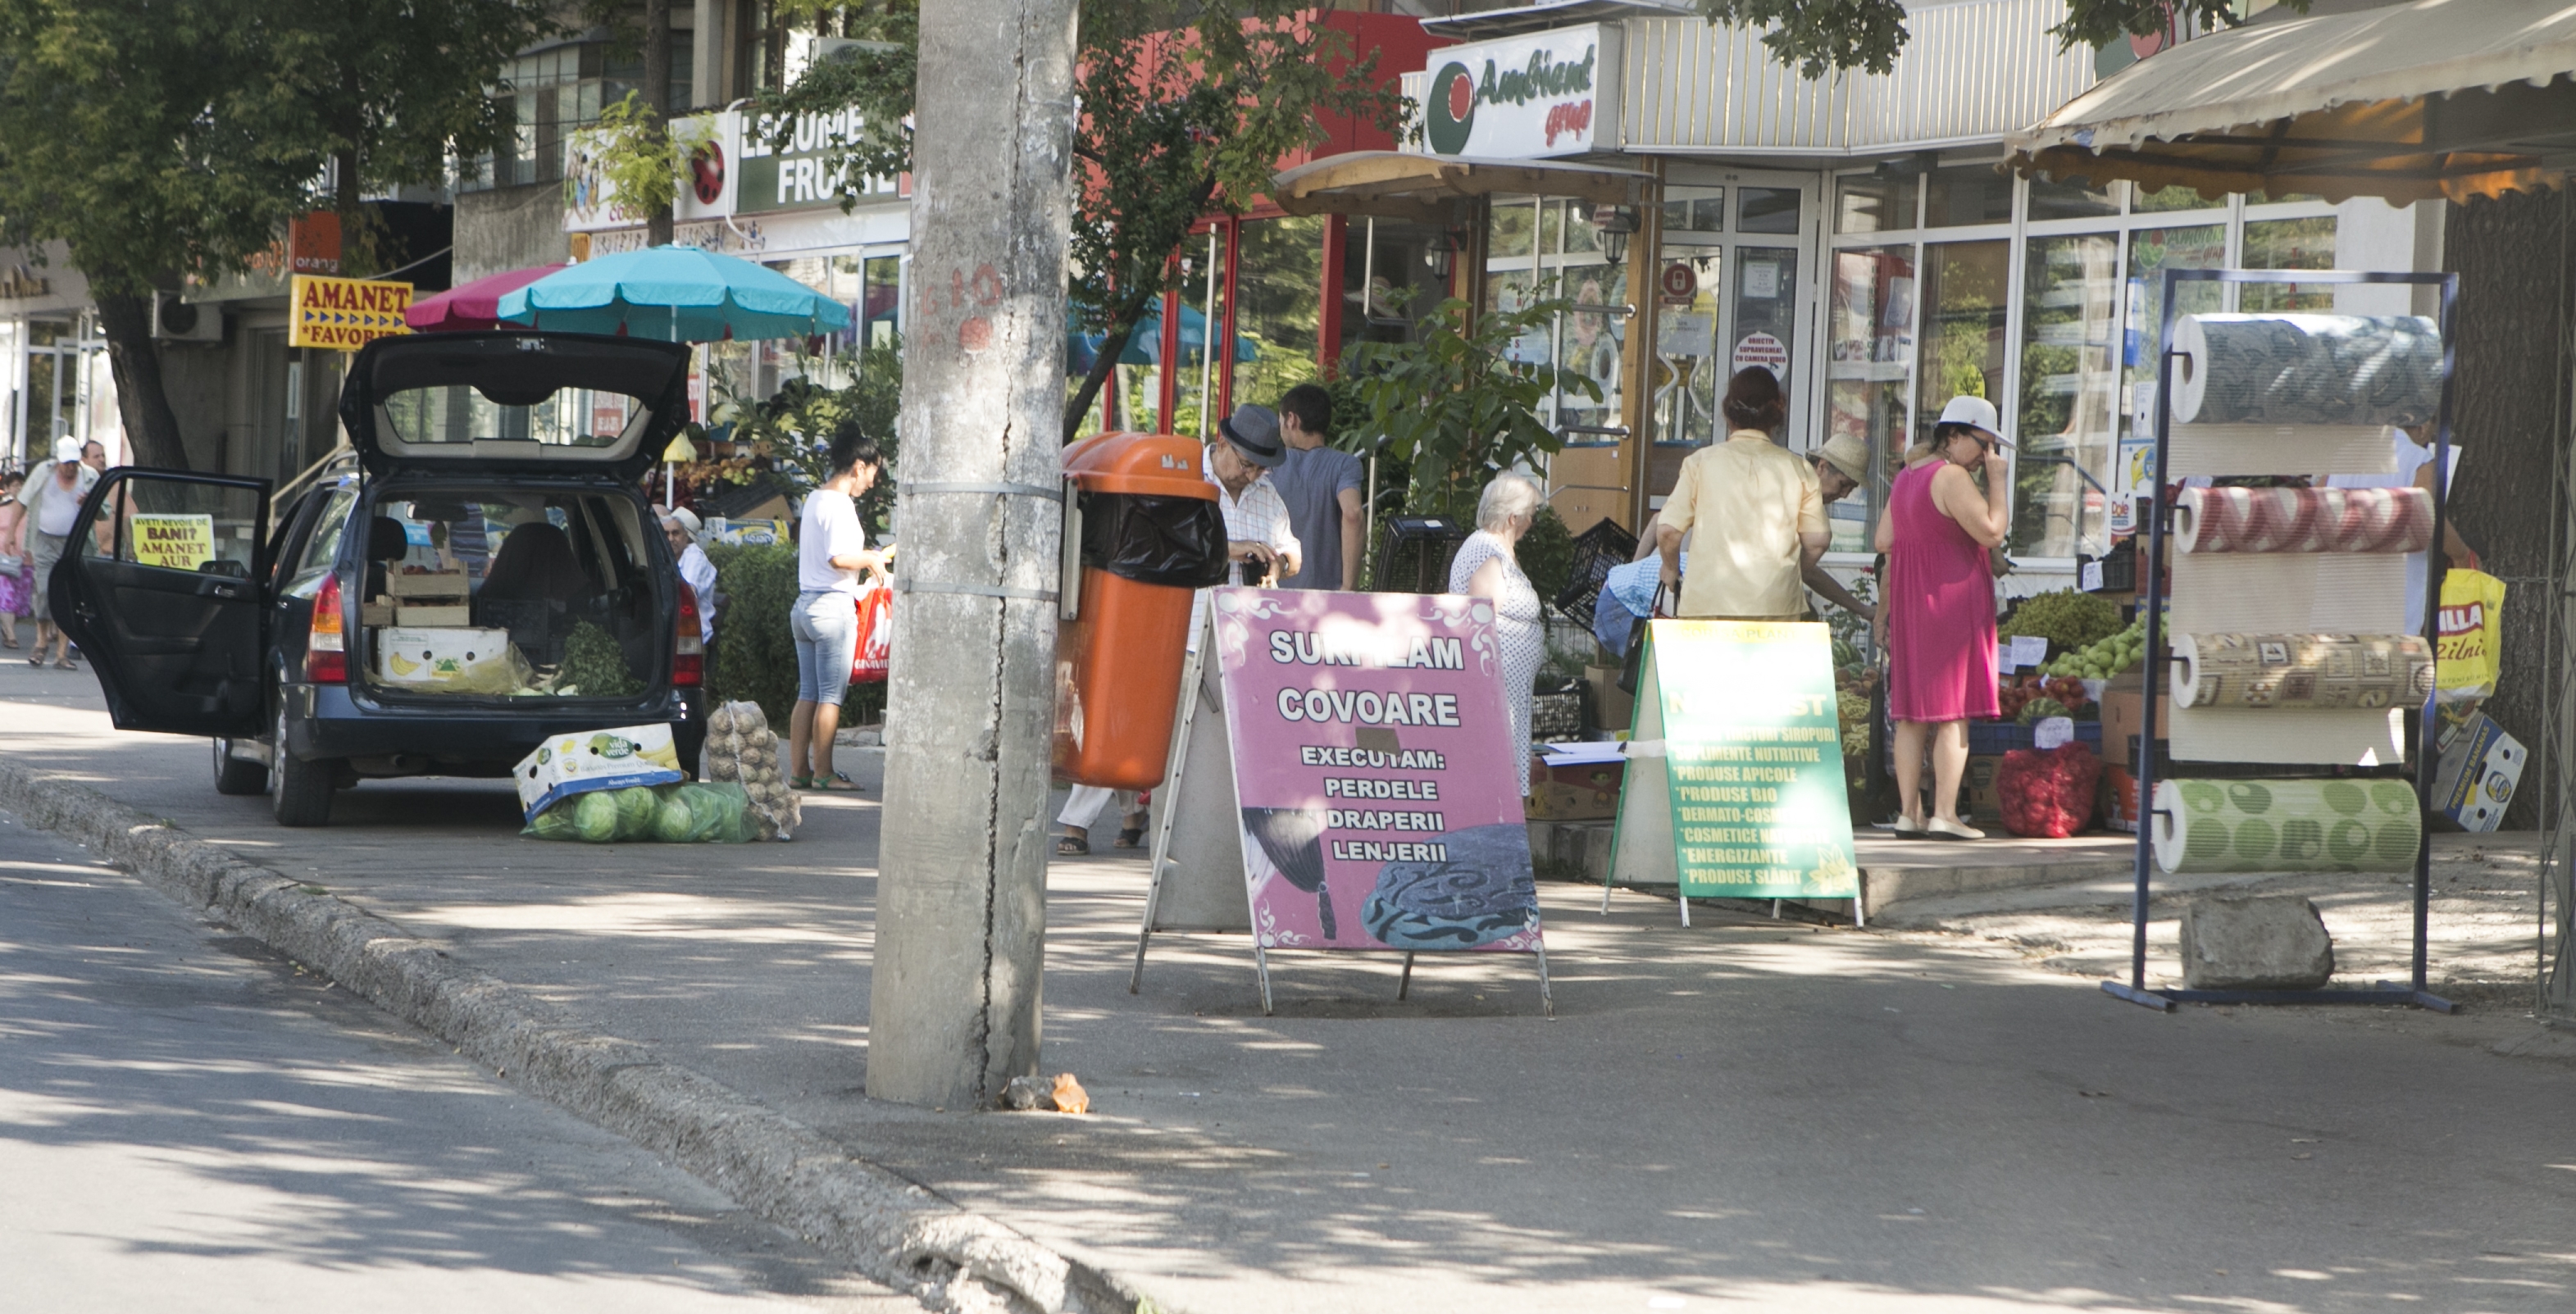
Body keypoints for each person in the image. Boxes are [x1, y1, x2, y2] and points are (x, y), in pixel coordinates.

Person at [1057, 404, 1298, 856]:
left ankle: (1142, 820)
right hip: (1176, 626)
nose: (1251, 476)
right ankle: (1079, 821)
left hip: (1237, 635)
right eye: (1246, 464)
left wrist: (1276, 562)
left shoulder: (1266, 495)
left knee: (1172, 735)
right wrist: (1232, 549)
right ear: (1223, 445)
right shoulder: (1187, 477)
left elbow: (1292, 551)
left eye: (1260, 468)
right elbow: (1167, 542)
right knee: (1137, 719)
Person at [1877, 395, 2013, 841]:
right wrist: (1998, 482)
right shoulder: (1952, 476)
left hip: (1913, 603)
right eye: (1983, 444)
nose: (1987, 456)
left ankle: (1908, 813)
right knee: (1955, 711)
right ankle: (1946, 814)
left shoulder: (1907, 477)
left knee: (1912, 713)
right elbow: (1993, 531)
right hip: (1951, 601)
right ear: (1953, 436)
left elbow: (1884, 540)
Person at [1655, 368, 1827, 621]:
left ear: (1728, 411)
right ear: (1778, 410)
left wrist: (1670, 568)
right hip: (1777, 606)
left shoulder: (1700, 463)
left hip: (1708, 603)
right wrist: (1790, 575)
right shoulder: (1799, 468)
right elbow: (1817, 541)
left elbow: (1668, 531)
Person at [789, 427, 891, 793]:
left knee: (809, 693)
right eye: (872, 473)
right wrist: (870, 558)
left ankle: (800, 770)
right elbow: (838, 558)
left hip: (804, 608)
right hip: (832, 611)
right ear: (859, 466)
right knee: (831, 695)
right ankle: (824, 773)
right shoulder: (841, 504)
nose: (871, 482)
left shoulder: (815, 498)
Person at [1450, 473, 1546, 797]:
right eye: (1531, 513)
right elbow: (1480, 618)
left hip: (1507, 688)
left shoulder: (1496, 550)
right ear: (1512, 517)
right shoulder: (1485, 550)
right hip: (1496, 685)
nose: (1532, 521)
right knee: (1493, 760)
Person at [1269, 383, 1363, 591]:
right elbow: (1353, 514)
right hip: (1328, 597)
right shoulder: (1345, 465)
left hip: (1274, 592)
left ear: (1291, 420)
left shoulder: (1267, 465)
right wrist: (1349, 587)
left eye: (1281, 420)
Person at [17, 436, 98, 670]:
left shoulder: (89, 477)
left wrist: (90, 503)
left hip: (74, 544)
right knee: (43, 591)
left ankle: (61, 654)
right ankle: (41, 641)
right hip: (44, 541)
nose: (70, 467)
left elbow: (103, 514)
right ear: (58, 460)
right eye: (66, 462)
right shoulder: (44, 473)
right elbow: (23, 500)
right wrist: (13, 532)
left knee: (68, 597)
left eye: (74, 462)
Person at [662, 508, 719, 644]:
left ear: (686, 537)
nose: (671, 539)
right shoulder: (666, 557)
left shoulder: (694, 557)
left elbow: (687, 592)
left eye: (675, 533)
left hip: (691, 630)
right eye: (666, 534)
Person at [0, 470, 26, 649]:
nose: (19, 488)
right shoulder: (2, 510)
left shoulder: (29, 512)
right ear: (7, 488)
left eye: (21, 485)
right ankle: (10, 635)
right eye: (15, 485)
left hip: (25, 560)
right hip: (4, 559)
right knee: (7, 597)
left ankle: (7, 626)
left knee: (20, 602)